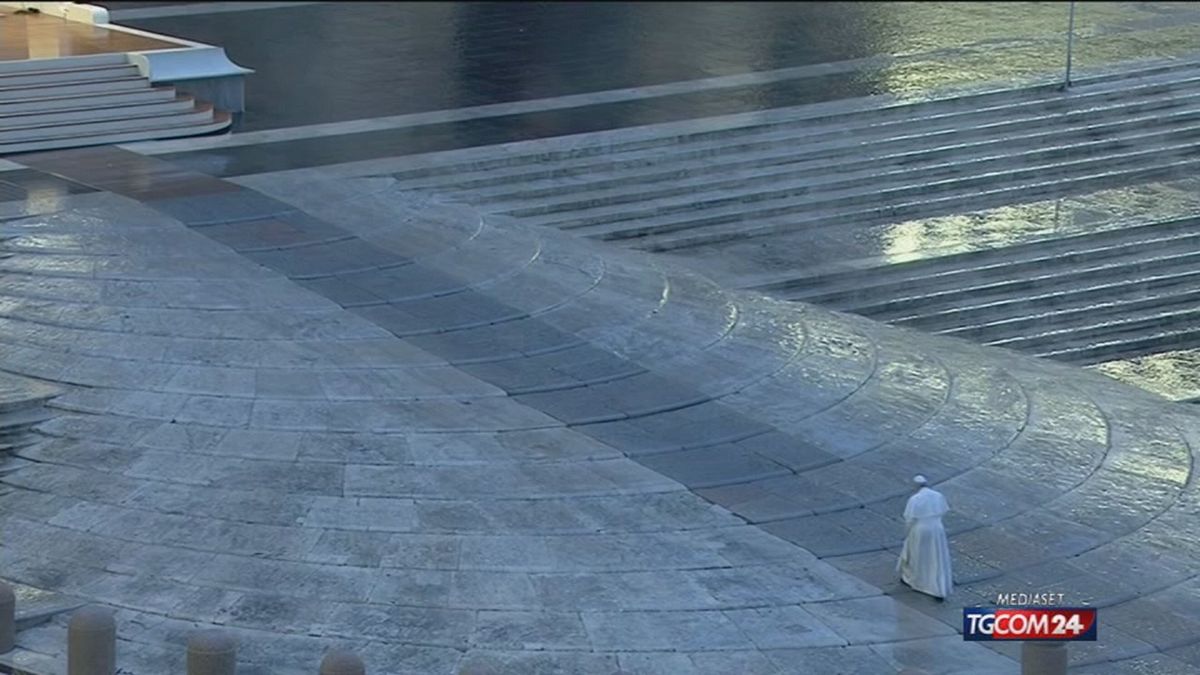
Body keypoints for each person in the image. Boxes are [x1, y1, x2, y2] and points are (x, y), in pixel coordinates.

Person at [896, 475, 953, 599]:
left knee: (918, 556)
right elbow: (943, 511)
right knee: (936, 557)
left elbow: (910, 519)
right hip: (937, 529)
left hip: (920, 530)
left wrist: (906, 533)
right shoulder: (938, 496)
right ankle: (938, 586)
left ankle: (918, 581)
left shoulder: (915, 499)